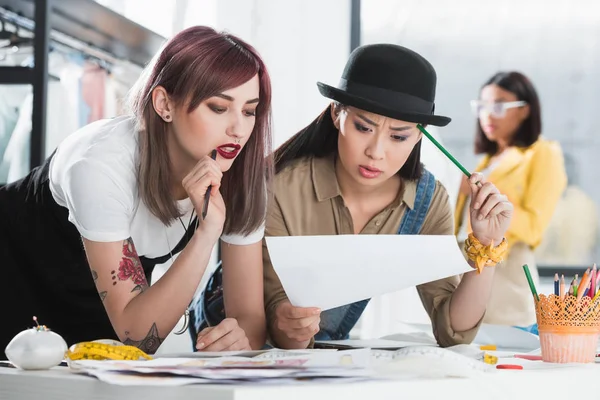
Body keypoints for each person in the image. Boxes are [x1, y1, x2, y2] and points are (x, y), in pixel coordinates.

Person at [0, 26, 273, 354]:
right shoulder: (100, 163)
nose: (239, 129)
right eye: (218, 107)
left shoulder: (240, 175)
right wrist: (206, 233)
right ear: (164, 104)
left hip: (101, 316)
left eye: (249, 111)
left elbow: (249, 320)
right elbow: (138, 334)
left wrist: (238, 341)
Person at [262, 44, 514, 349]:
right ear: (336, 114)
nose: (376, 152)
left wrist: (485, 245)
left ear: (420, 135)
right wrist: (287, 320)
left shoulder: (428, 201)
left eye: (398, 136)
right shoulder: (279, 188)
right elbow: (272, 317)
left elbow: (454, 330)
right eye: (363, 127)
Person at [455, 72, 567, 326]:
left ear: (525, 110)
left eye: (498, 105)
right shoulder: (488, 161)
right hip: (469, 268)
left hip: (505, 278)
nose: (487, 114)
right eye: (481, 106)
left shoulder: (543, 153)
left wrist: (488, 195)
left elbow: (533, 228)